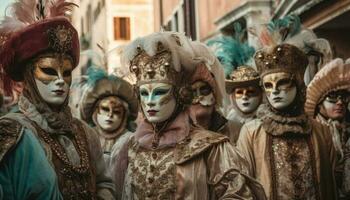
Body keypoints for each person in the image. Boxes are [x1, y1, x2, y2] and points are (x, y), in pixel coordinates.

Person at [114, 31, 266, 200]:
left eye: (160, 92)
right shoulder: (129, 148)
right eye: (144, 93)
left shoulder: (211, 148)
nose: (149, 101)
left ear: (180, 94)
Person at [0, 0, 114, 199]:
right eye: (49, 71)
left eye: (67, 72)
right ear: (29, 76)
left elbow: (104, 182)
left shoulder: (85, 133)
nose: (61, 81)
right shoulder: (12, 133)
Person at [237, 43, 338, 199]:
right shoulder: (251, 133)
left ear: (298, 84)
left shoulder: (321, 131)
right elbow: (243, 187)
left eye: (283, 82)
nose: (275, 91)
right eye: (268, 86)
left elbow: (331, 185)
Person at [305, 58, 350, 198]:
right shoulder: (311, 131)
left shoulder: (346, 129)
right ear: (318, 103)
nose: (340, 102)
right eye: (333, 97)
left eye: (344, 97)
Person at [80, 67, 138, 173]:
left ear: (125, 115)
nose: (110, 115)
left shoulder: (131, 141)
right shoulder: (84, 138)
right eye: (105, 109)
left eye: (116, 112)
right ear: (95, 111)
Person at [188, 42, 235, 140]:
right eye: (192, 92)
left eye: (204, 89)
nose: (199, 96)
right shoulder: (177, 136)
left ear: (214, 93)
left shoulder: (236, 130)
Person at [225, 66, 262, 143]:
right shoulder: (229, 123)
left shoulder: (268, 121)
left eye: (251, 92)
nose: (245, 97)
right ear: (233, 97)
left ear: (261, 94)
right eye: (239, 92)